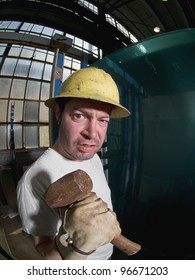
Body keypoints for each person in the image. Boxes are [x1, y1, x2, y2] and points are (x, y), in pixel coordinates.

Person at [16, 67, 130, 260]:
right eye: (79, 115)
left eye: (103, 120)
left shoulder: (92, 156)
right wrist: (79, 249)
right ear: (59, 113)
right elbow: (43, 245)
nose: (92, 134)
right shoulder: (33, 181)